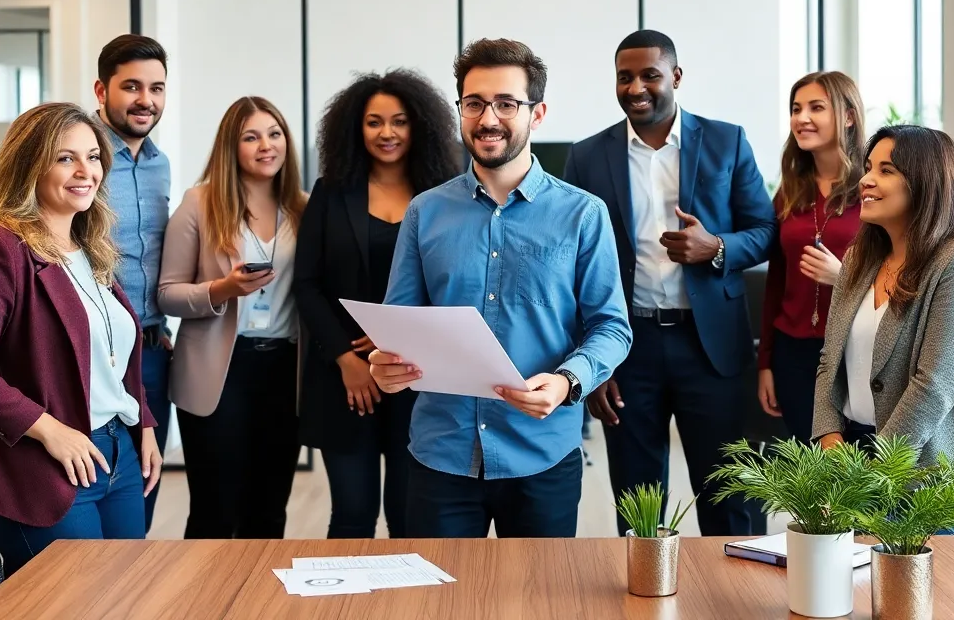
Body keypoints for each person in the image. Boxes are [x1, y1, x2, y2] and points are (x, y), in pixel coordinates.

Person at [368, 38, 631, 539]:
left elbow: (611, 328)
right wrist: (386, 365)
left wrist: (568, 381)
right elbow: (399, 323)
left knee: (539, 607)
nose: (488, 118)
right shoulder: (425, 212)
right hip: (441, 452)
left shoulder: (583, 214)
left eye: (506, 104)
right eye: (474, 103)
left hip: (542, 454)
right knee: (437, 604)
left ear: (537, 113)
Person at [563, 29, 776, 537]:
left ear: (676, 77)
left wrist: (716, 248)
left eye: (650, 75)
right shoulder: (587, 157)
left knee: (730, 497)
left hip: (712, 349)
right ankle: (646, 599)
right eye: (624, 77)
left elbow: (765, 231)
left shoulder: (727, 140)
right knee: (637, 503)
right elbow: (569, 266)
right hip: (627, 346)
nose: (636, 87)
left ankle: (733, 603)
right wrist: (590, 364)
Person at [0, 102, 161, 577]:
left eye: (93, 156)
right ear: (29, 165)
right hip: (47, 465)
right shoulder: (0, 249)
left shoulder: (91, 247)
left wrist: (142, 422)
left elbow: (114, 352)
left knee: (127, 598)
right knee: (76, 605)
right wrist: (50, 430)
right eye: (65, 158)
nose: (86, 171)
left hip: (119, 456)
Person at [812, 125, 954, 547]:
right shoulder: (863, 256)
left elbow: (934, 385)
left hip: (936, 477)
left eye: (885, 170)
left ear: (925, 183)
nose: (865, 180)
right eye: (867, 167)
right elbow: (830, 359)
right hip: (856, 461)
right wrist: (829, 440)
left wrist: (876, 474)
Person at [295, 69, 462, 538]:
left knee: (412, 518)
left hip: (421, 379)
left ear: (420, 126)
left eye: (400, 121)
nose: (387, 133)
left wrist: (403, 337)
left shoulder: (446, 196)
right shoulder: (331, 192)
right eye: (374, 122)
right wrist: (347, 360)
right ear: (355, 127)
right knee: (351, 514)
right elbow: (307, 284)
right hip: (347, 383)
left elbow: (456, 286)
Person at [158, 96, 308, 539]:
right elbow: (167, 294)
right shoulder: (199, 203)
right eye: (252, 136)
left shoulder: (304, 206)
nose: (267, 145)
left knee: (270, 509)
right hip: (219, 369)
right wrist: (222, 289)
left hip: (285, 369)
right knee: (215, 509)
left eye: (275, 133)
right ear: (231, 146)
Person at [92, 33, 173, 532]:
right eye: (132, 87)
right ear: (101, 91)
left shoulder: (160, 164)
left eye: (157, 88)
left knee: (144, 485)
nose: (146, 100)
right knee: (93, 478)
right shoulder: (80, 159)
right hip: (93, 352)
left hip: (151, 349)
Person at [757, 72, 865, 444]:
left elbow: (901, 273)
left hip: (856, 350)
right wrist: (766, 363)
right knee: (813, 480)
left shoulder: (874, 188)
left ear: (848, 116)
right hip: (794, 355)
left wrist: (844, 276)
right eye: (795, 109)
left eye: (816, 107)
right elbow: (776, 282)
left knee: (857, 480)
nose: (801, 118)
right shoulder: (788, 193)